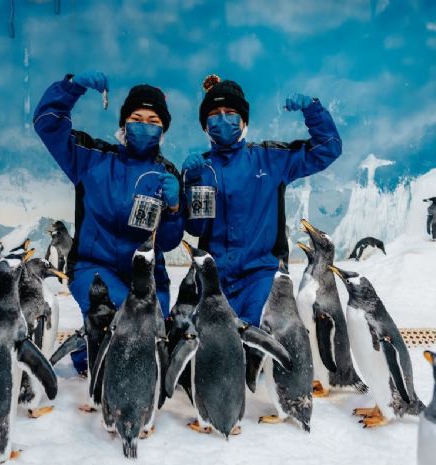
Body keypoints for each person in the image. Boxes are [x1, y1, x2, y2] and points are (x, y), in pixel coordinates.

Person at [34, 71, 184, 373]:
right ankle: (92, 349)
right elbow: (47, 124)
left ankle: (94, 346)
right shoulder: (92, 157)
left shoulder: (166, 174)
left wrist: (175, 207)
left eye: (154, 121)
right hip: (94, 268)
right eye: (137, 117)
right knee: (123, 324)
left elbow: (168, 242)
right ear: (123, 124)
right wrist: (71, 87)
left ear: (164, 130)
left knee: (148, 340)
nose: (144, 125)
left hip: (147, 277)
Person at [183, 75, 342, 326]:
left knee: (259, 339)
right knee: (210, 348)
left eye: (231, 112)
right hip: (214, 281)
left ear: (244, 121)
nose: (223, 119)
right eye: (214, 113)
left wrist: (313, 109)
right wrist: (191, 184)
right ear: (205, 125)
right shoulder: (202, 168)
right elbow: (196, 228)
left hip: (263, 278)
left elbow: (327, 149)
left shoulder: (270, 158)